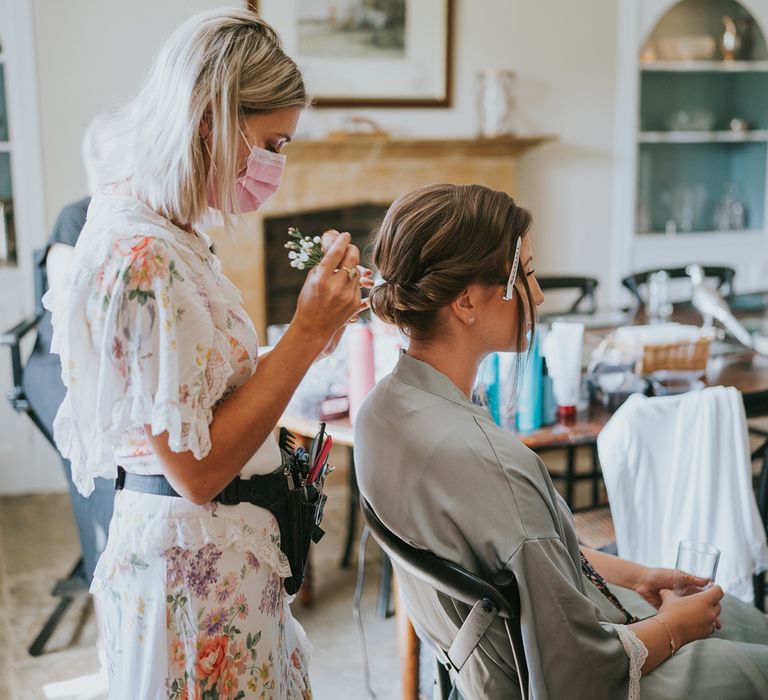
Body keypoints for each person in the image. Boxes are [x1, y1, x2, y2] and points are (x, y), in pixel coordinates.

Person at [44, 10, 364, 698]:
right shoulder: (144, 257)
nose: (277, 165)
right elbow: (198, 469)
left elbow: (203, 390)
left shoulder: (174, 235)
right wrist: (304, 336)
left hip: (224, 568)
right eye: (273, 142)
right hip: (192, 587)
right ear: (211, 119)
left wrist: (307, 338)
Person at [354, 183, 768, 699]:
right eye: (524, 273)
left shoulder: (378, 413)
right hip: (565, 678)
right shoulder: (496, 465)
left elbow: (523, 567)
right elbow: (577, 675)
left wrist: (638, 576)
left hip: (499, 659)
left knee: (746, 622)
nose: (540, 293)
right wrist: (678, 626)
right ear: (465, 301)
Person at [24, 113, 116, 584]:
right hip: (58, 362)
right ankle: (108, 555)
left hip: (109, 359)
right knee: (99, 440)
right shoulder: (76, 217)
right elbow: (67, 311)